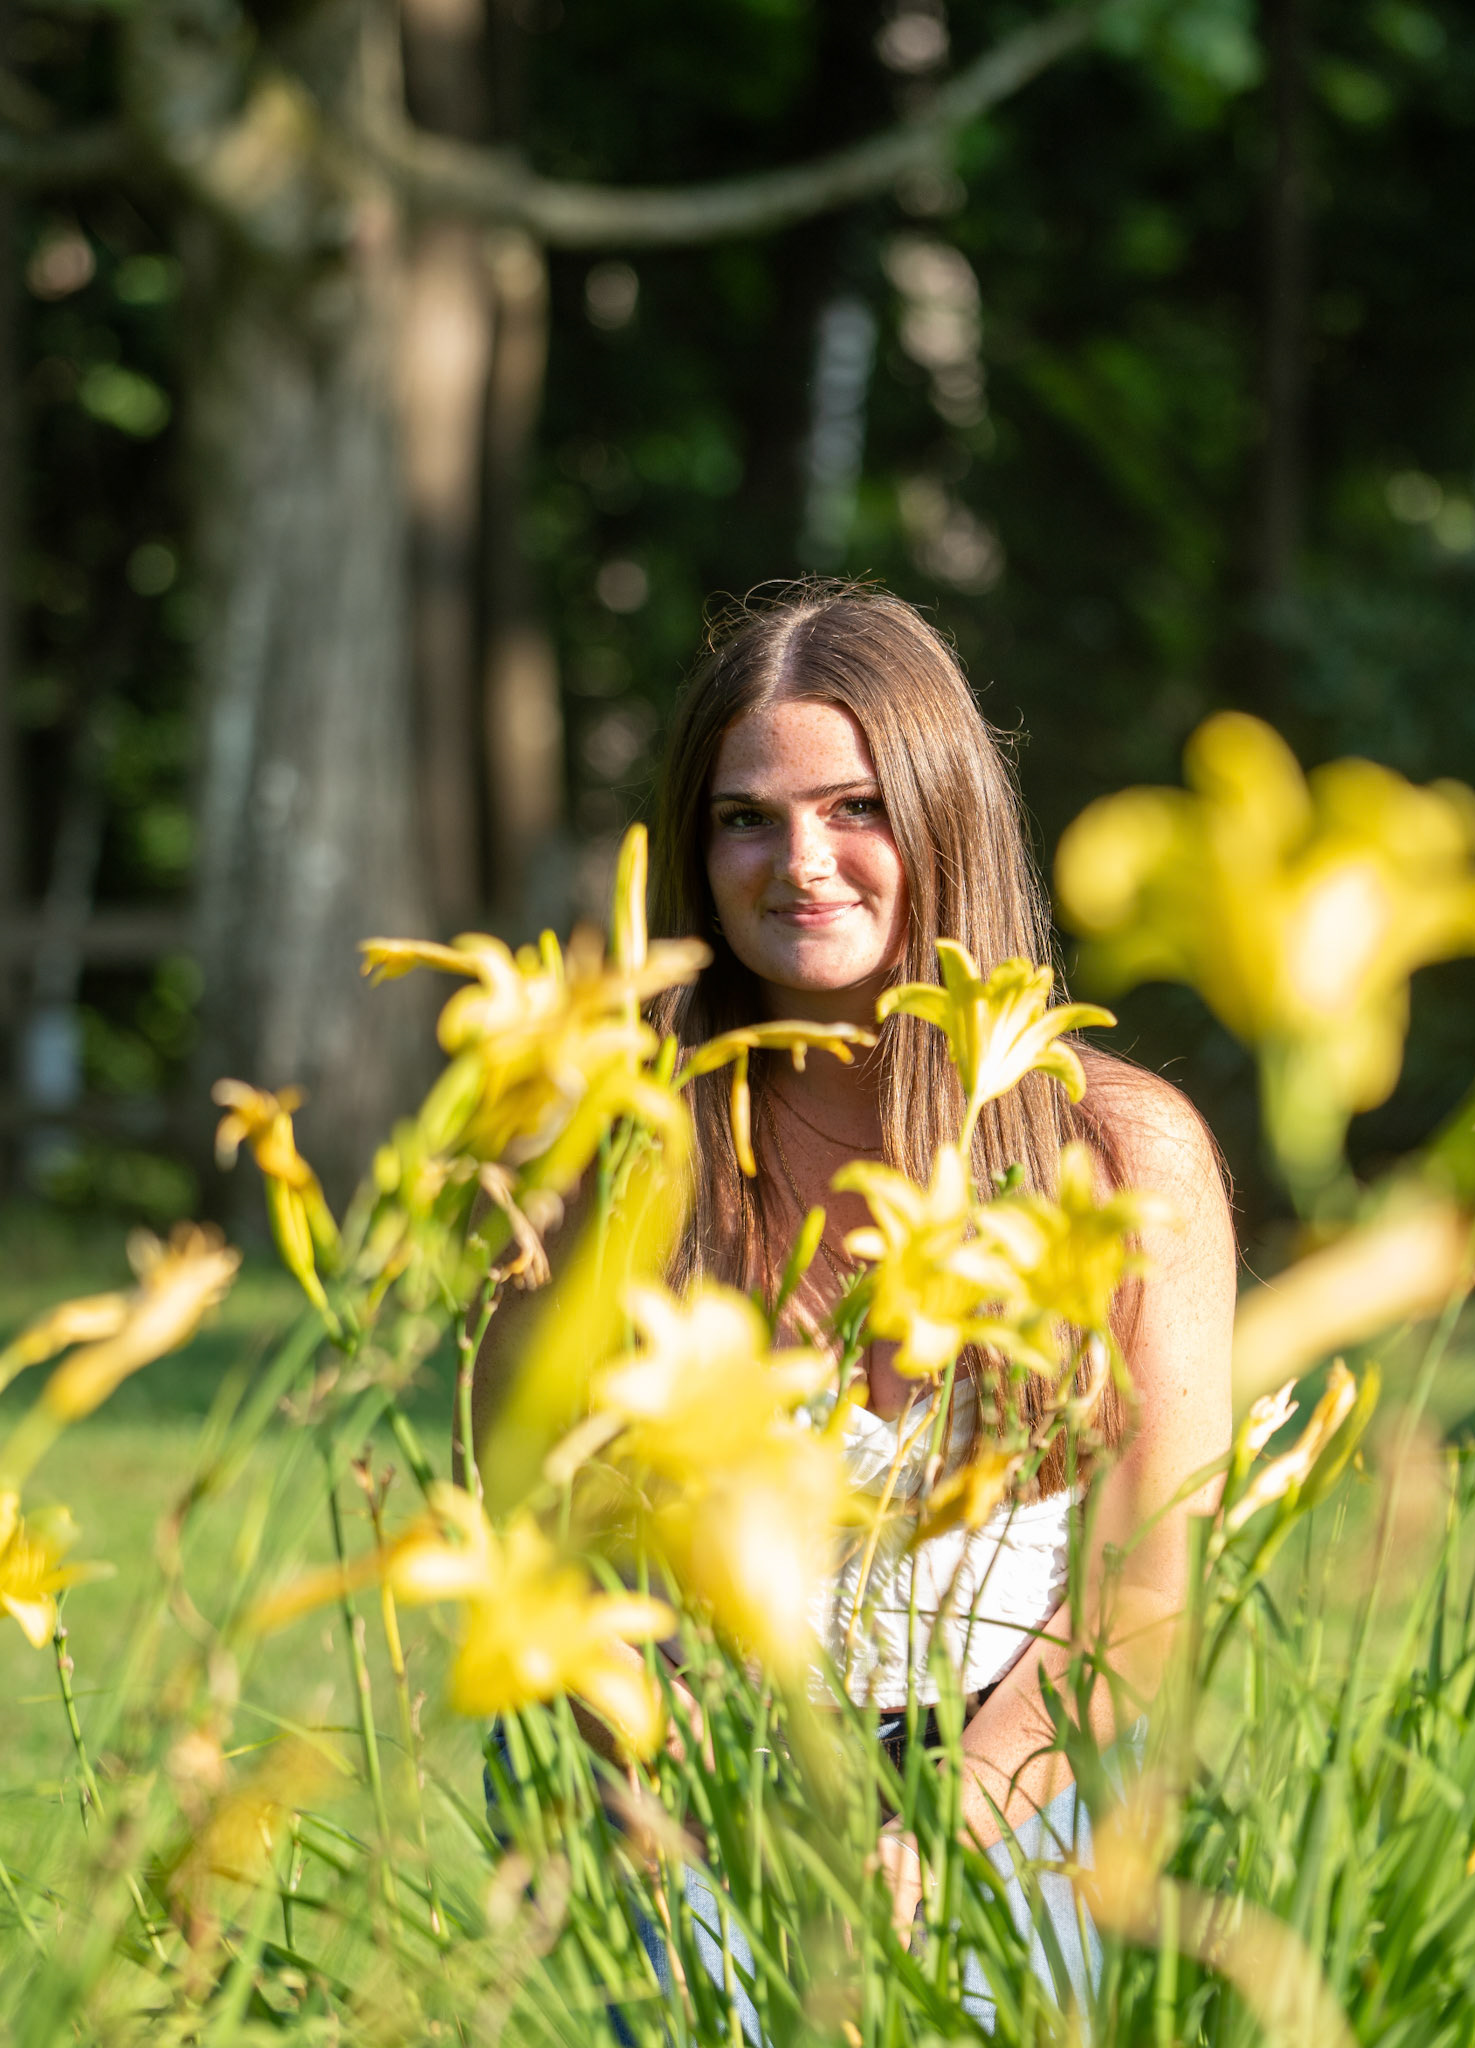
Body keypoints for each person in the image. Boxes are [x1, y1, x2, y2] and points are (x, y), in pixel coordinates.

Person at [470, 584, 1236, 2027]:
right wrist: (720, 1804)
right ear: (695, 851)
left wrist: (940, 1833)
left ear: (947, 820)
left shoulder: (1123, 1152)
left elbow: (1143, 1586)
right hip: (676, 1749)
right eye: (744, 818)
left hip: (1030, 1751)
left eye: (856, 808)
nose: (800, 863)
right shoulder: (609, 1143)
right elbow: (533, 1526)